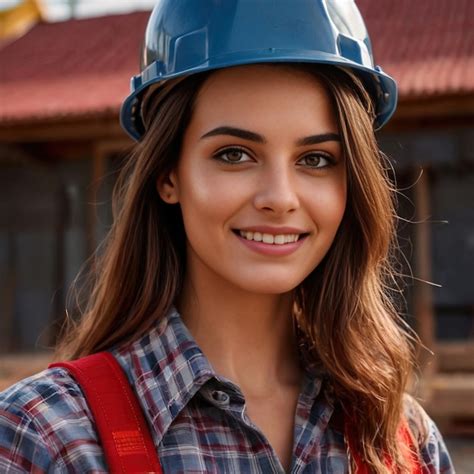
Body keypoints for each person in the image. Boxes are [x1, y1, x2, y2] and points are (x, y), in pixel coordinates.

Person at [0, 1, 454, 473]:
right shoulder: (45, 437)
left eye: (316, 159)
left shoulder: (403, 441)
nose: (280, 198)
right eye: (235, 154)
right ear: (168, 175)